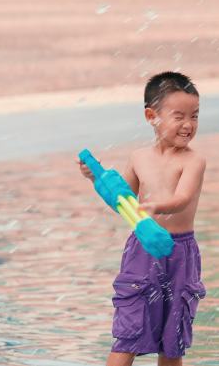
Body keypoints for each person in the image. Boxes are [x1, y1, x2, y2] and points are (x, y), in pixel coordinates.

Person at [78, 71, 207, 366]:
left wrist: (155, 207)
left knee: (172, 339)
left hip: (180, 254)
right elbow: (121, 202)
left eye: (195, 116)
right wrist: (95, 180)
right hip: (141, 251)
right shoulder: (138, 158)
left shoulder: (194, 160)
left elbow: (183, 198)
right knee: (129, 329)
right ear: (152, 116)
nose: (189, 125)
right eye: (179, 116)